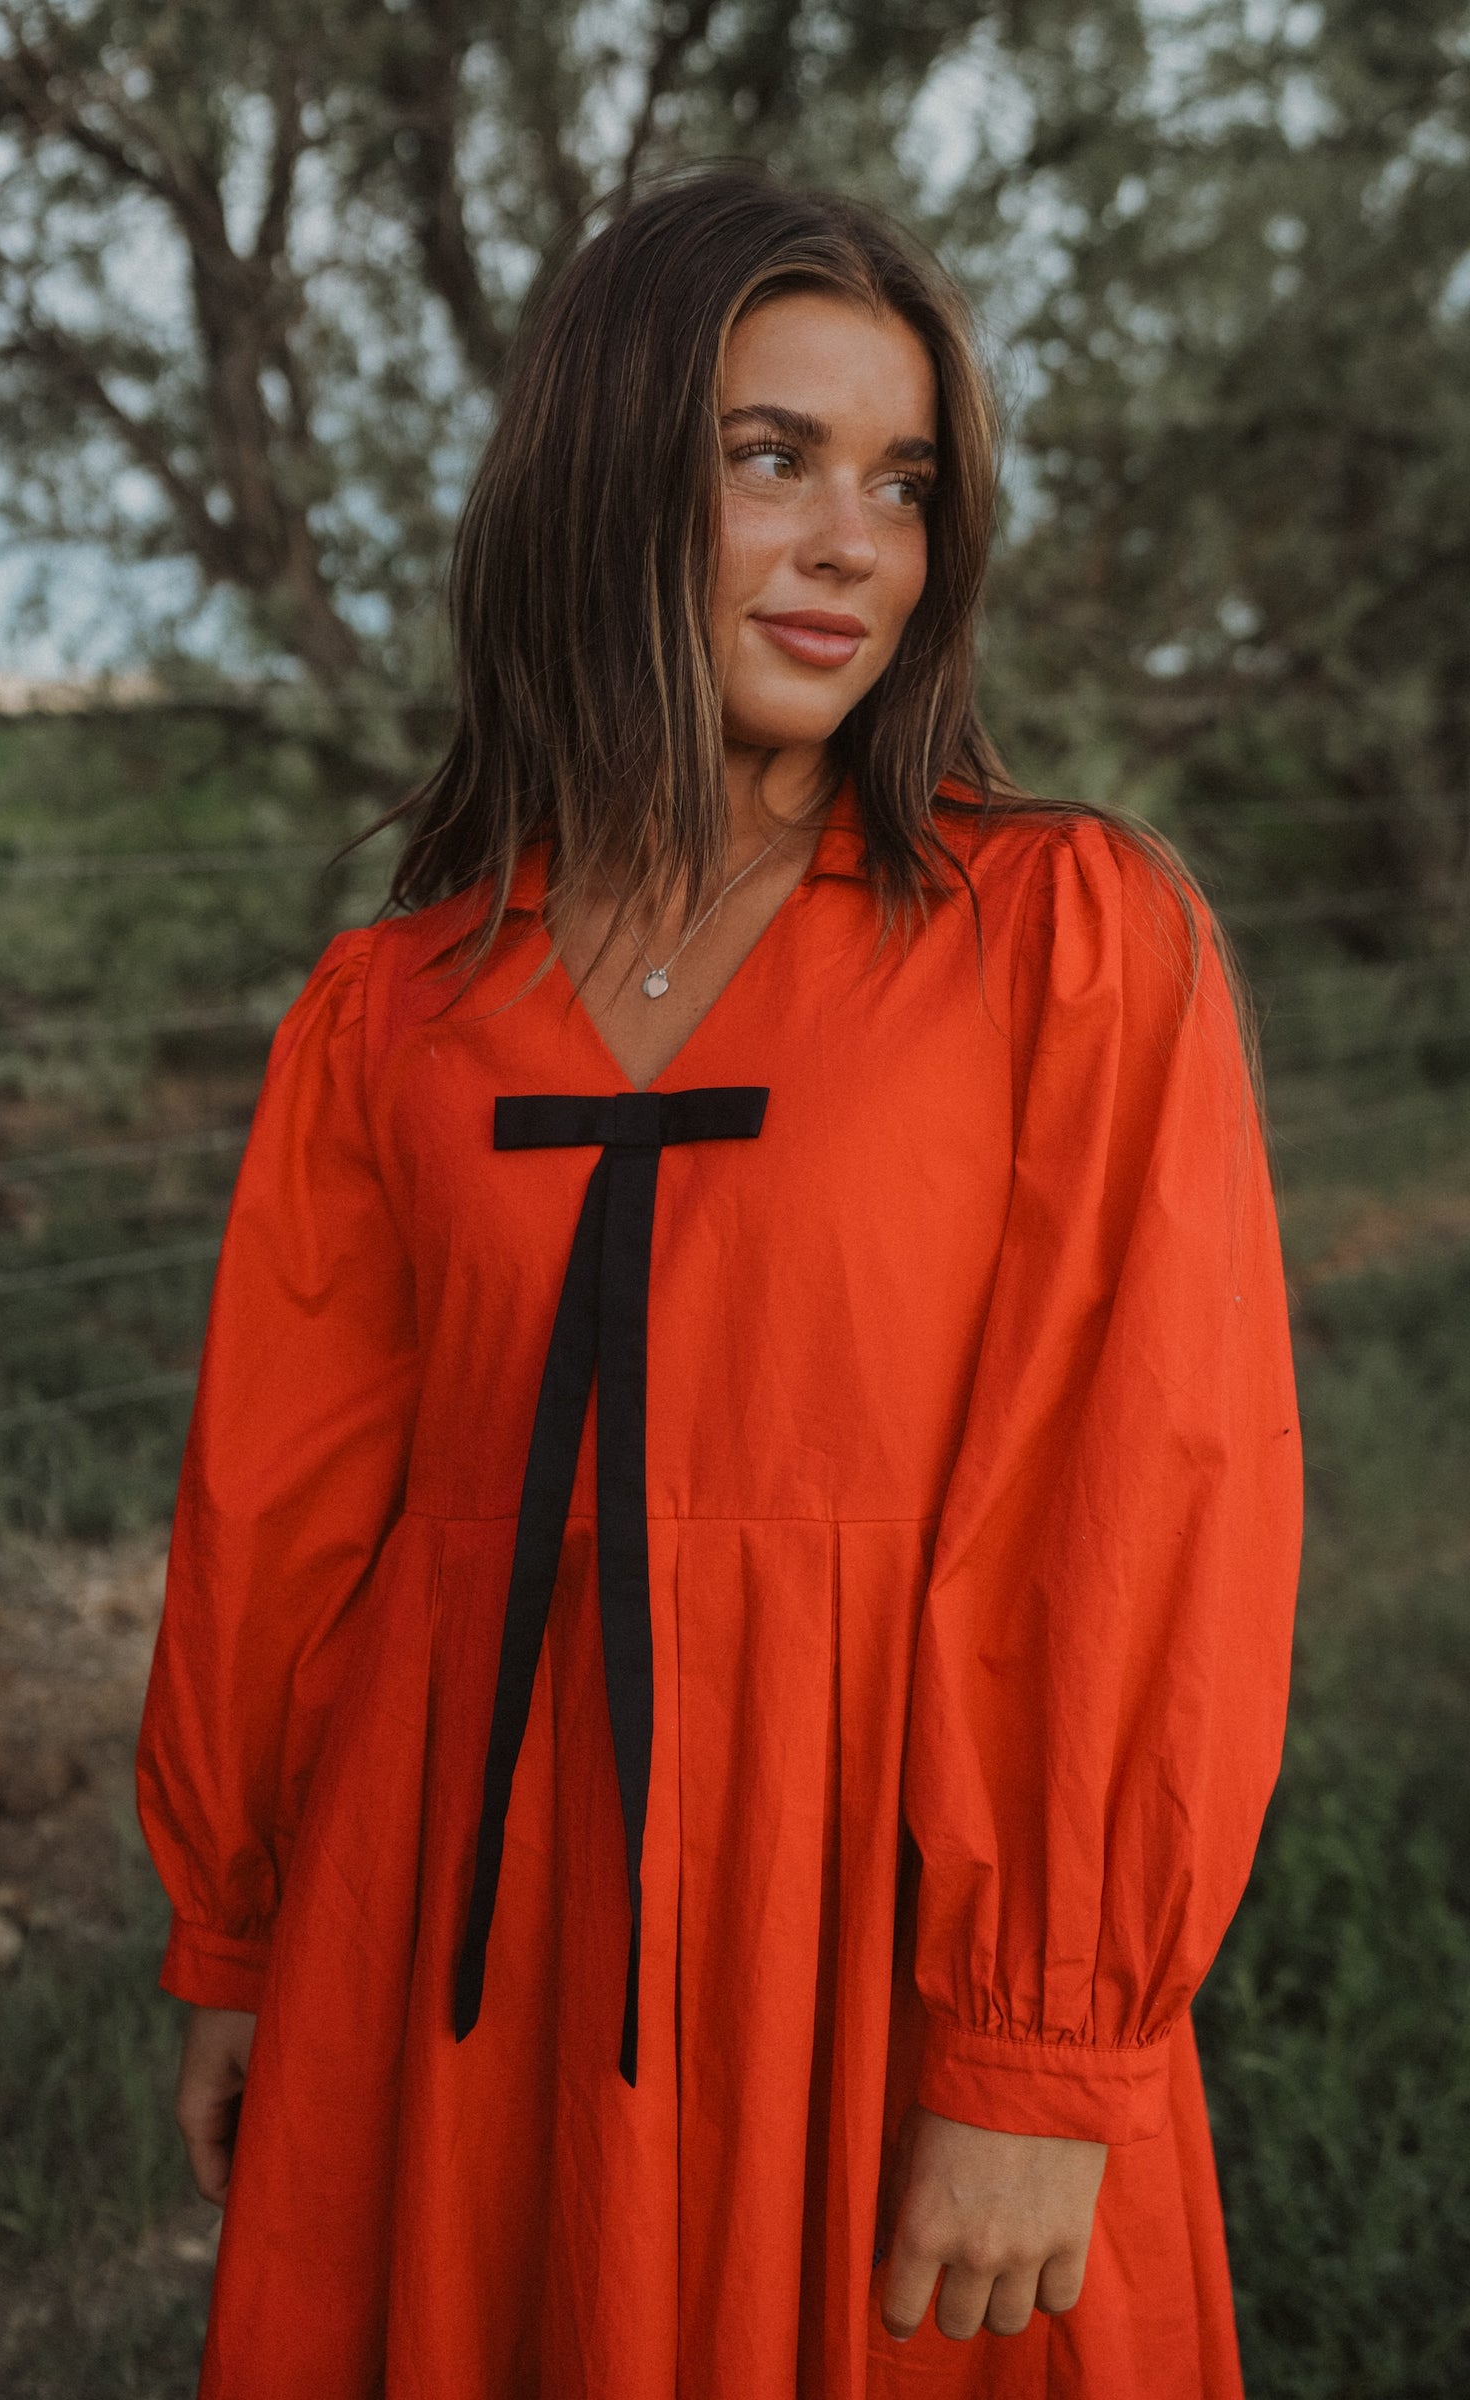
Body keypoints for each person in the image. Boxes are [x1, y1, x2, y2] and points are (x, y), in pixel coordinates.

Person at [136, 168, 1302, 2400]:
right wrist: (236, 1930)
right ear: (603, 478)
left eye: (904, 484)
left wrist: (1037, 2048)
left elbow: (1142, 1492)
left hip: (868, 1915)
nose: (853, 544)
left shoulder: (1055, 937)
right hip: (445, 1923)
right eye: (769, 457)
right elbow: (280, 1512)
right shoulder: (393, 1010)